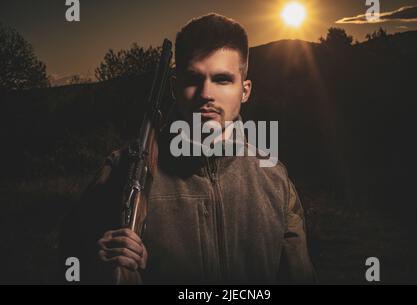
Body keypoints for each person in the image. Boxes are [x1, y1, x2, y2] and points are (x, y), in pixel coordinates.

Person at [60, 13, 316, 285]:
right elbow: (69, 265)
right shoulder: (125, 169)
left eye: (222, 79)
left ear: (245, 90)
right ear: (174, 86)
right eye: (194, 79)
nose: (206, 93)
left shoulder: (274, 177)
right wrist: (96, 263)